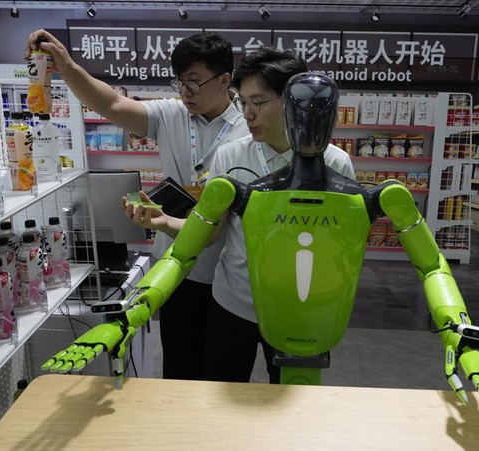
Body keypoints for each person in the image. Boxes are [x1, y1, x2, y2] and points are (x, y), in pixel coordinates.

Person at [25, 30, 248, 380]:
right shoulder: (171, 115)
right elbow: (112, 104)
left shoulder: (248, 129)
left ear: (224, 80)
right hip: (174, 269)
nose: (184, 93)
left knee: (223, 376)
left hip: (228, 273)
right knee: (178, 367)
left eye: (194, 83)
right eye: (180, 83)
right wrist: (66, 67)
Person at [128, 48, 354, 383]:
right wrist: (164, 223)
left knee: (294, 400)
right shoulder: (229, 156)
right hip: (233, 303)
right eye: (243, 102)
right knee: (223, 394)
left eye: (259, 103)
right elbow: (213, 232)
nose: (247, 113)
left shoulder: (334, 164)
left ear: (294, 101)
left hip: (298, 310)